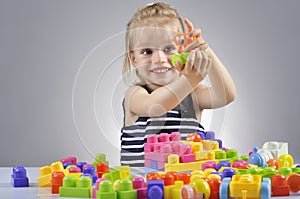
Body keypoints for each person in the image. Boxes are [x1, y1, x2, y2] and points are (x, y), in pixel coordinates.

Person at [120, 2, 236, 167]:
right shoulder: (135, 94)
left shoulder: (194, 94)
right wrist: (190, 79)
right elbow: (156, 106)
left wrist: (204, 49)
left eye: (168, 49)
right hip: (144, 190)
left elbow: (227, 94)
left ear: (183, 51)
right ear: (134, 59)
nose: (159, 59)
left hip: (188, 190)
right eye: (147, 52)